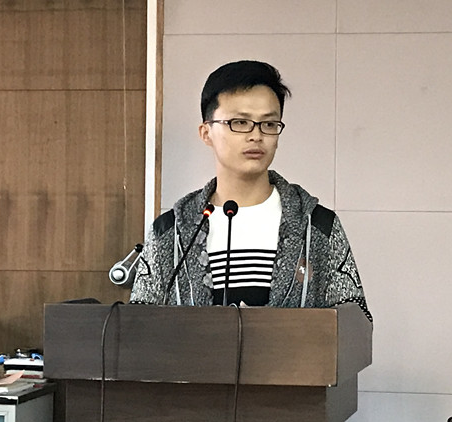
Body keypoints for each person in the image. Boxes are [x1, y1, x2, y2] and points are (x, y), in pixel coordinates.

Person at [130, 60, 371, 321]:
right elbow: (139, 323)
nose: (256, 136)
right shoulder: (171, 232)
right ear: (206, 132)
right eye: (240, 122)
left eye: (269, 124)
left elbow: (355, 320)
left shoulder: (317, 226)